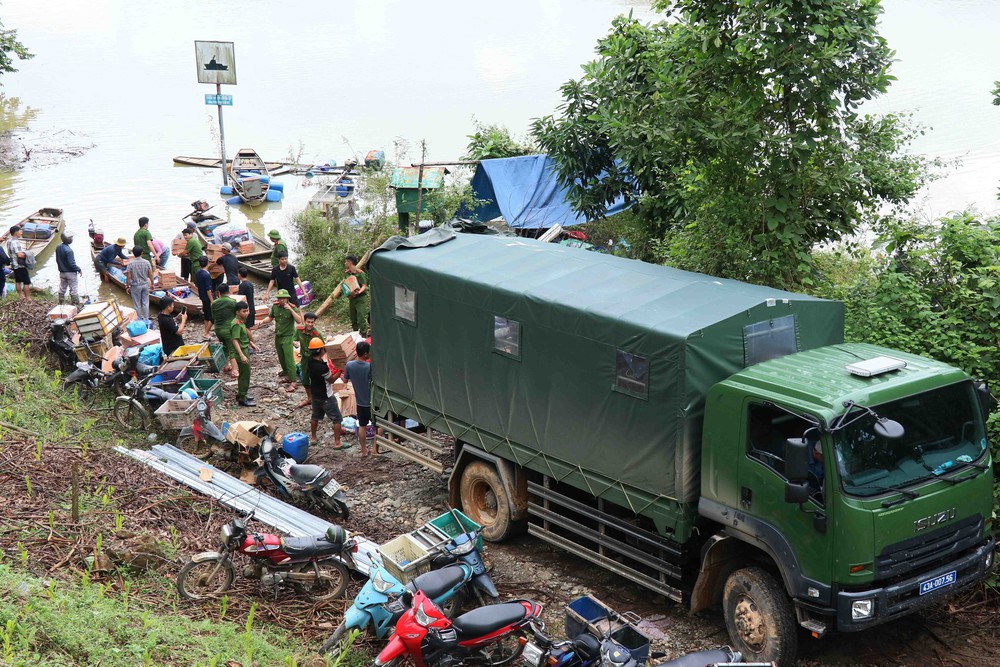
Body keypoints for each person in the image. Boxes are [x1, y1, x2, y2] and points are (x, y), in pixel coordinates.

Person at [252, 288, 303, 392]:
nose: (281, 300)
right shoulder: (275, 307)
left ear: (287, 299)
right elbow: (270, 317)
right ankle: (287, 374)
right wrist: (261, 322)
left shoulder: (292, 307)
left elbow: (299, 321)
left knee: (289, 359)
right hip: (278, 336)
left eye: (283, 298)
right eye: (279, 298)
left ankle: (293, 381)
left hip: (288, 336)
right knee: (281, 357)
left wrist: (291, 310)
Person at [306, 337, 345, 449]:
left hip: (315, 395)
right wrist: (340, 371)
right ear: (321, 350)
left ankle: (313, 438)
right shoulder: (322, 367)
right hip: (326, 397)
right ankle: (337, 443)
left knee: (315, 417)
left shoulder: (310, 362)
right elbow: (331, 380)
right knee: (337, 419)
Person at [345, 340, 375, 457]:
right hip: (372, 403)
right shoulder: (370, 367)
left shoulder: (350, 365)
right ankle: (374, 449)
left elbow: (344, 380)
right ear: (366, 354)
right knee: (379, 426)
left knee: (362, 426)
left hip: (360, 403)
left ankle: (364, 451)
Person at [230, 301, 260, 407]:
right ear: (237, 312)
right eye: (244, 311)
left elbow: (243, 337)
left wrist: (251, 343)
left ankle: (242, 394)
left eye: (247, 311)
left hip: (244, 349)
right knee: (244, 375)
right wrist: (242, 355)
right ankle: (242, 398)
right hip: (241, 352)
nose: (246, 313)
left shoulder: (241, 321)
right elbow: (235, 340)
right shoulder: (236, 324)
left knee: (244, 374)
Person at [331, 254, 369, 336]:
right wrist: (349, 294)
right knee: (353, 318)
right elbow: (346, 286)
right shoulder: (347, 274)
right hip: (352, 298)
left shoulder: (360, 273)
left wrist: (359, 292)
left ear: (350, 262)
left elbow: (364, 285)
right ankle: (356, 334)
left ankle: (364, 335)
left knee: (361, 317)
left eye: (346, 261)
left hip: (360, 298)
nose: (345, 263)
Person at [296, 312, 325, 408]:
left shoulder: (317, 334)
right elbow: (293, 339)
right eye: (308, 322)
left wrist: (319, 359)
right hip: (304, 359)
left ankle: (319, 401)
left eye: (312, 322)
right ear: (304, 321)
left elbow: (324, 348)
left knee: (317, 381)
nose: (310, 324)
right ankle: (309, 399)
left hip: (315, 360)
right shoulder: (299, 330)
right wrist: (294, 343)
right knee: (304, 379)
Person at [211, 286, 239, 379]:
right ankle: (235, 370)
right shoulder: (232, 302)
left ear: (218, 292)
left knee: (225, 348)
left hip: (218, 329)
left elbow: (213, 316)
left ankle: (226, 366)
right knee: (232, 349)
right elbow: (237, 314)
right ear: (229, 290)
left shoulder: (214, 303)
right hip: (228, 329)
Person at [124, 245, 154, 323]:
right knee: (145, 302)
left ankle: (139, 319)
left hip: (135, 285)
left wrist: (127, 286)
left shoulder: (130, 264)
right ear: (142, 253)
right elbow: (150, 274)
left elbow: (129, 277)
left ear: (133, 253)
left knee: (137, 303)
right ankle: (146, 319)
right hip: (144, 284)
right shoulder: (147, 262)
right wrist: (152, 284)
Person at [55, 231, 83, 306]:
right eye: (71, 238)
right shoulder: (69, 251)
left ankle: (61, 304)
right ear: (68, 239)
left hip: (62, 272)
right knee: (73, 289)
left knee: (62, 288)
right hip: (70, 273)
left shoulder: (58, 247)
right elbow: (72, 264)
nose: (72, 239)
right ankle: (76, 305)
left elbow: (57, 260)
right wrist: (79, 269)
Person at [5, 225, 31, 301]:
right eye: (20, 231)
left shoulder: (9, 241)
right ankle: (28, 298)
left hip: (14, 265)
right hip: (19, 265)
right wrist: (28, 254)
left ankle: (21, 296)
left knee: (18, 281)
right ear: (16, 233)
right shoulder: (15, 242)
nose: (21, 232)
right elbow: (19, 255)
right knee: (26, 282)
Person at [194, 255, 215, 337]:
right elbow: (208, 289)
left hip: (202, 296)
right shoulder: (206, 275)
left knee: (206, 314)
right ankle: (206, 332)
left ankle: (207, 331)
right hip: (207, 297)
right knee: (211, 316)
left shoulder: (198, 273)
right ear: (208, 263)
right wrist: (212, 301)